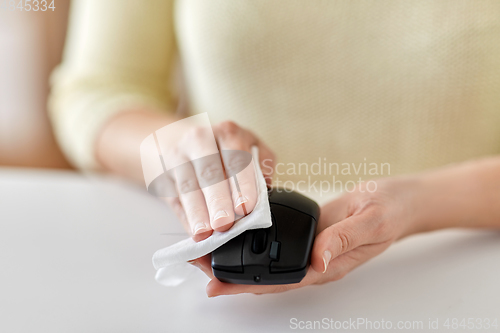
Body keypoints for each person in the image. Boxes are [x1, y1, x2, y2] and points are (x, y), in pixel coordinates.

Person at [48, 0, 500, 297]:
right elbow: (98, 88)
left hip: (465, 269)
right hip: (217, 299)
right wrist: (170, 150)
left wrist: (420, 203)